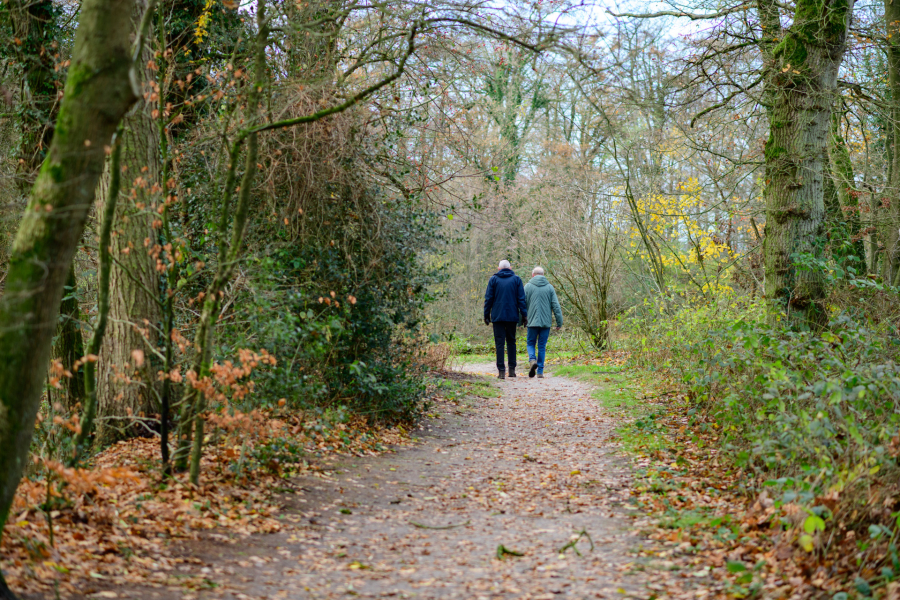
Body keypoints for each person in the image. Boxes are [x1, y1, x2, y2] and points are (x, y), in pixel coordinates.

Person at [483, 260, 527, 379]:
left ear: (499, 268)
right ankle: (512, 370)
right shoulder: (516, 280)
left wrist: (486, 314)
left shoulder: (493, 280)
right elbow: (521, 299)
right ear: (510, 268)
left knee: (499, 343)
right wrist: (524, 315)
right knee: (511, 341)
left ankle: (501, 371)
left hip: (497, 316)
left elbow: (488, 298)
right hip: (512, 315)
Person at [524, 266, 563, 378]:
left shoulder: (527, 287)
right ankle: (540, 371)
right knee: (542, 346)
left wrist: (521, 320)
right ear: (543, 274)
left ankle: (532, 360)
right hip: (546, 322)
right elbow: (556, 306)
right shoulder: (549, 287)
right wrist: (559, 322)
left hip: (532, 322)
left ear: (533, 275)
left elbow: (522, 304)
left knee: (530, 343)